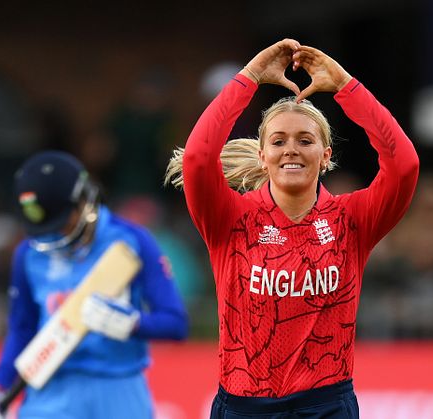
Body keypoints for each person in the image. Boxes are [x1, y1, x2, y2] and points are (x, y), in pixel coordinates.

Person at [165, 39, 419, 418]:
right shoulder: (230, 218)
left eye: (305, 141)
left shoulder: (352, 220)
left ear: (326, 154)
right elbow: (200, 159)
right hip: (244, 406)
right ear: (262, 155)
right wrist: (249, 77)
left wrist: (347, 87)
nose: (291, 150)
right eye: (278, 141)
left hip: (326, 404)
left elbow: (404, 165)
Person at [0, 151, 188, 419]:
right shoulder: (29, 254)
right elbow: (22, 328)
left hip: (119, 384)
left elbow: (176, 324)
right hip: (51, 387)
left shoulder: (131, 240)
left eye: (60, 223)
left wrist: (130, 324)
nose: (54, 235)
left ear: (83, 201)